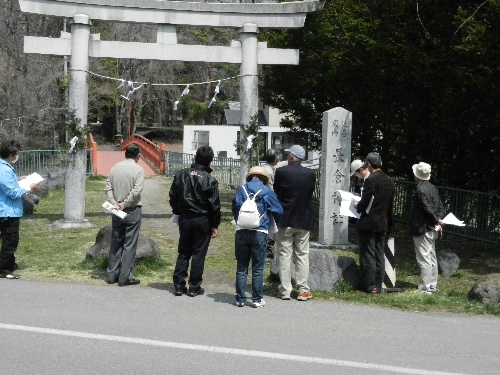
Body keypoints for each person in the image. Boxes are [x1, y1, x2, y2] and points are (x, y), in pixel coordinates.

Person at [169, 145, 221, 297]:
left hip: (185, 217)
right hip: (202, 219)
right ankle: (194, 286)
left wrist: (177, 212)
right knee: (198, 253)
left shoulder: (181, 175)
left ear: (196, 157)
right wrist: (215, 224)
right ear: (210, 161)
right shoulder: (210, 179)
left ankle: (179, 285)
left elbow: (173, 196)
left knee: (184, 252)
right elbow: (214, 206)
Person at [232, 166, 283, 308]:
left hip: (241, 231)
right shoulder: (267, 191)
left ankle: (240, 299)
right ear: (264, 178)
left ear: (250, 177)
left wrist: (239, 221)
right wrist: (276, 223)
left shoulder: (241, 190)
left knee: (242, 267)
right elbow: (278, 210)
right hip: (260, 232)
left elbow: (235, 206)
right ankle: (256, 299)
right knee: (258, 268)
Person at [274, 144, 316, 301]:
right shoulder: (310, 174)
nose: (287, 157)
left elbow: (277, 193)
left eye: (288, 155)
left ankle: (285, 290)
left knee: (284, 254)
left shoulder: (281, 172)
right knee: (302, 255)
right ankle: (303, 289)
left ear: (292, 157)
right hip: (304, 218)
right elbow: (310, 194)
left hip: (285, 218)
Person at [105, 144, 145, 287]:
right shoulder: (139, 170)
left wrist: (114, 202)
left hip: (116, 208)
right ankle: (125, 276)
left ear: (125, 154)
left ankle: (112, 274)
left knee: (116, 241)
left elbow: (108, 187)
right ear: (138, 155)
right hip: (132, 209)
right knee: (130, 244)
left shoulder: (115, 168)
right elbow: (136, 191)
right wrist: (125, 204)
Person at [355, 152, 394, 295]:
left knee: (368, 254)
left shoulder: (370, 180)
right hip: (383, 221)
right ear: (381, 164)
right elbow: (390, 205)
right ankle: (378, 285)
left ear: (369, 165)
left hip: (369, 222)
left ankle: (369, 286)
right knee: (379, 253)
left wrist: (357, 206)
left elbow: (365, 202)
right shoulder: (389, 181)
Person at [0, 140, 38, 279]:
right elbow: (12, 192)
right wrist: (29, 187)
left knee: (11, 239)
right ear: (11, 154)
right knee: (10, 240)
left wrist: (19, 180)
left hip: (9, 210)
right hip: (7, 211)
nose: (18, 156)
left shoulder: (5, 167)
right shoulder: (3, 169)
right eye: (17, 153)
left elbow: (9, 184)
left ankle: (9, 264)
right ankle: (4, 269)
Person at [410, 162, 444, 294]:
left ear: (417, 175)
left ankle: (424, 287)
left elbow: (426, 209)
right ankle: (432, 285)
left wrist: (436, 220)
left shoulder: (420, 190)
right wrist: (439, 220)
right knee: (431, 257)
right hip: (433, 228)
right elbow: (440, 206)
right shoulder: (433, 188)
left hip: (422, 227)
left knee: (424, 258)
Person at [262, 148, 280, 259]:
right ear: (275, 159)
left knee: (271, 226)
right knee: (271, 226)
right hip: (269, 201)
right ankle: (268, 249)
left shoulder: (268, 168)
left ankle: (269, 248)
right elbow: (271, 187)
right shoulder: (268, 171)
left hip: (268, 200)